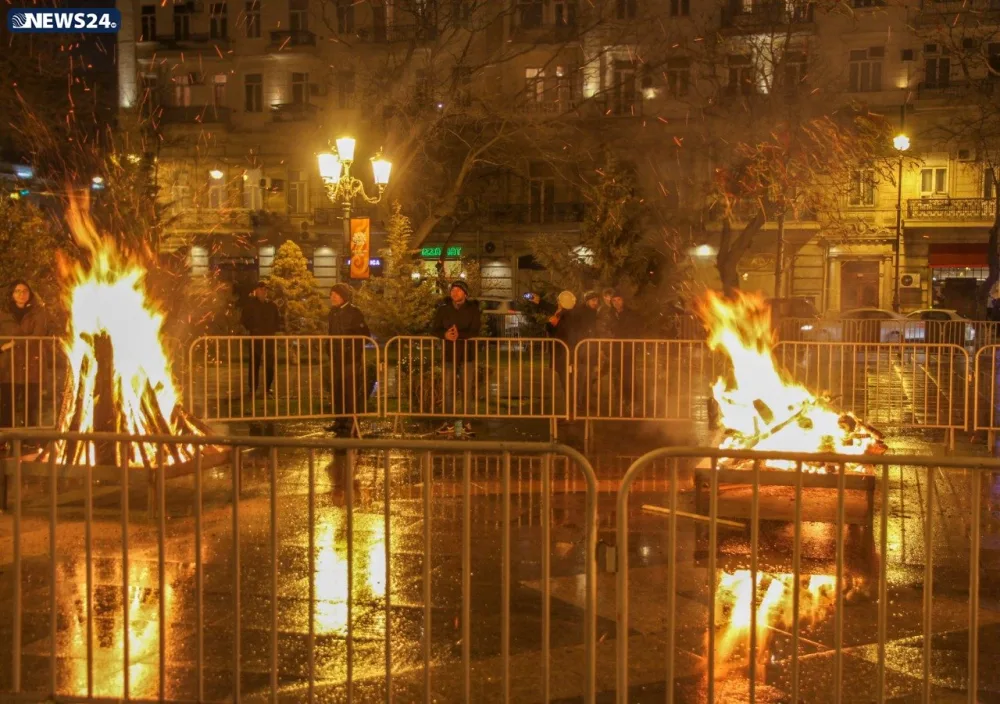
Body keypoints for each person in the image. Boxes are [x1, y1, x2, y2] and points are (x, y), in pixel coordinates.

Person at [432, 280, 481, 434]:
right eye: (452, 290)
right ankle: (450, 423)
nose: (454, 293)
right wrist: (445, 335)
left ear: (465, 293)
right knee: (448, 390)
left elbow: (475, 330)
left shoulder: (473, 309)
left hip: (467, 354)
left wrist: (461, 335)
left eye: (458, 290)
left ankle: (465, 423)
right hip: (449, 354)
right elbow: (434, 329)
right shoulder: (443, 310)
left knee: (466, 389)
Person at [0, 280, 50, 429]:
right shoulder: (3, 314)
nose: (21, 294)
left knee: (31, 407)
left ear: (30, 294)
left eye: (25, 291)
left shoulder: (38, 313)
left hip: (32, 365)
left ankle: (29, 442)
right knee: (7, 406)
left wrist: (15, 343)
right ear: (12, 294)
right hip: (9, 367)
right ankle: (5, 441)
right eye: (18, 291)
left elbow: (38, 335)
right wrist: (3, 347)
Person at [325, 283, 371, 435]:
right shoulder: (333, 313)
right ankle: (339, 420)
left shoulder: (354, 312)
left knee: (350, 391)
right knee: (337, 390)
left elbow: (365, 336)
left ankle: (352, 422)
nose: (332, 297)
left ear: (343, 296)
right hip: (337, 357)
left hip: (350, 359)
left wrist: (353, 350)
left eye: (335, 294)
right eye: (331, 294)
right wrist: (328, 348)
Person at [241, 280, 282, 397]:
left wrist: (274, 330)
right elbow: (244, 320)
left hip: (269, 337)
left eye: (265, 289)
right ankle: (252, 388)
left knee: (269, 364)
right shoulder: (250, 305)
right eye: (261, 289)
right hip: (255, 337)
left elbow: (277, 320)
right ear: (256, 291)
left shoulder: (272, 305)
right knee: (254, 363)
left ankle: (268, 388)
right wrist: (252, 329)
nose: (263, 292)